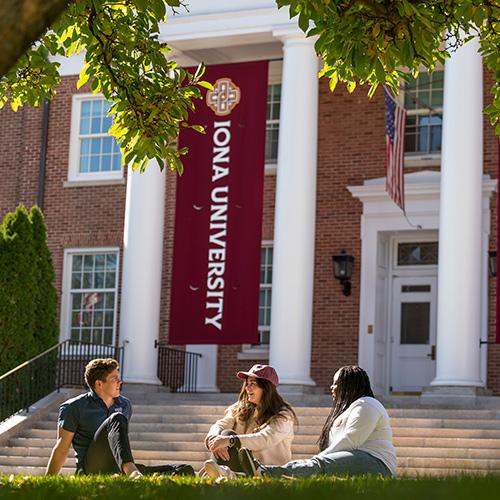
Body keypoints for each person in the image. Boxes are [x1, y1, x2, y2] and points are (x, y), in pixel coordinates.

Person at [236, 365, 397, 478]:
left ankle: (266, 472)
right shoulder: (348, 410)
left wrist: (319, 459)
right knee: (318, 467)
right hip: (354, 461)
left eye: (336, 383)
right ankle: (243, 473)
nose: (332, 387)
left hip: (377, 464)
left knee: (319, 465)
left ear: (349, 384)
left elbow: (351, 441)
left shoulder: (366, 404)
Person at [45, 358, 193, 477]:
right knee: (117, 418)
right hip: (91, 468)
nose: (120, 382)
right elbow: (62, 448)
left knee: (184, 470)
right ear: (99, 384)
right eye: (114, 379)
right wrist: (49, 482)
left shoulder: (125, 404)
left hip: (116, 467)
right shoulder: (74, 407)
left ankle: (137, 475)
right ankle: (131, 471)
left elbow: (118, 440)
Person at [202, 364, 297, 478]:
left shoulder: (283, 415)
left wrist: (231, 441)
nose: (247, 388)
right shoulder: (240, 408)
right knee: (225, 434)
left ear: (267, 388)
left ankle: (219, 477)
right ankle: (221, 476)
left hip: (267, 472)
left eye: (253, 384)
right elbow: (220, 424)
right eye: (247, 384)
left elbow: (264, 439)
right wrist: (214, 440)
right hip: (242, 467)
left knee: (227, 438)